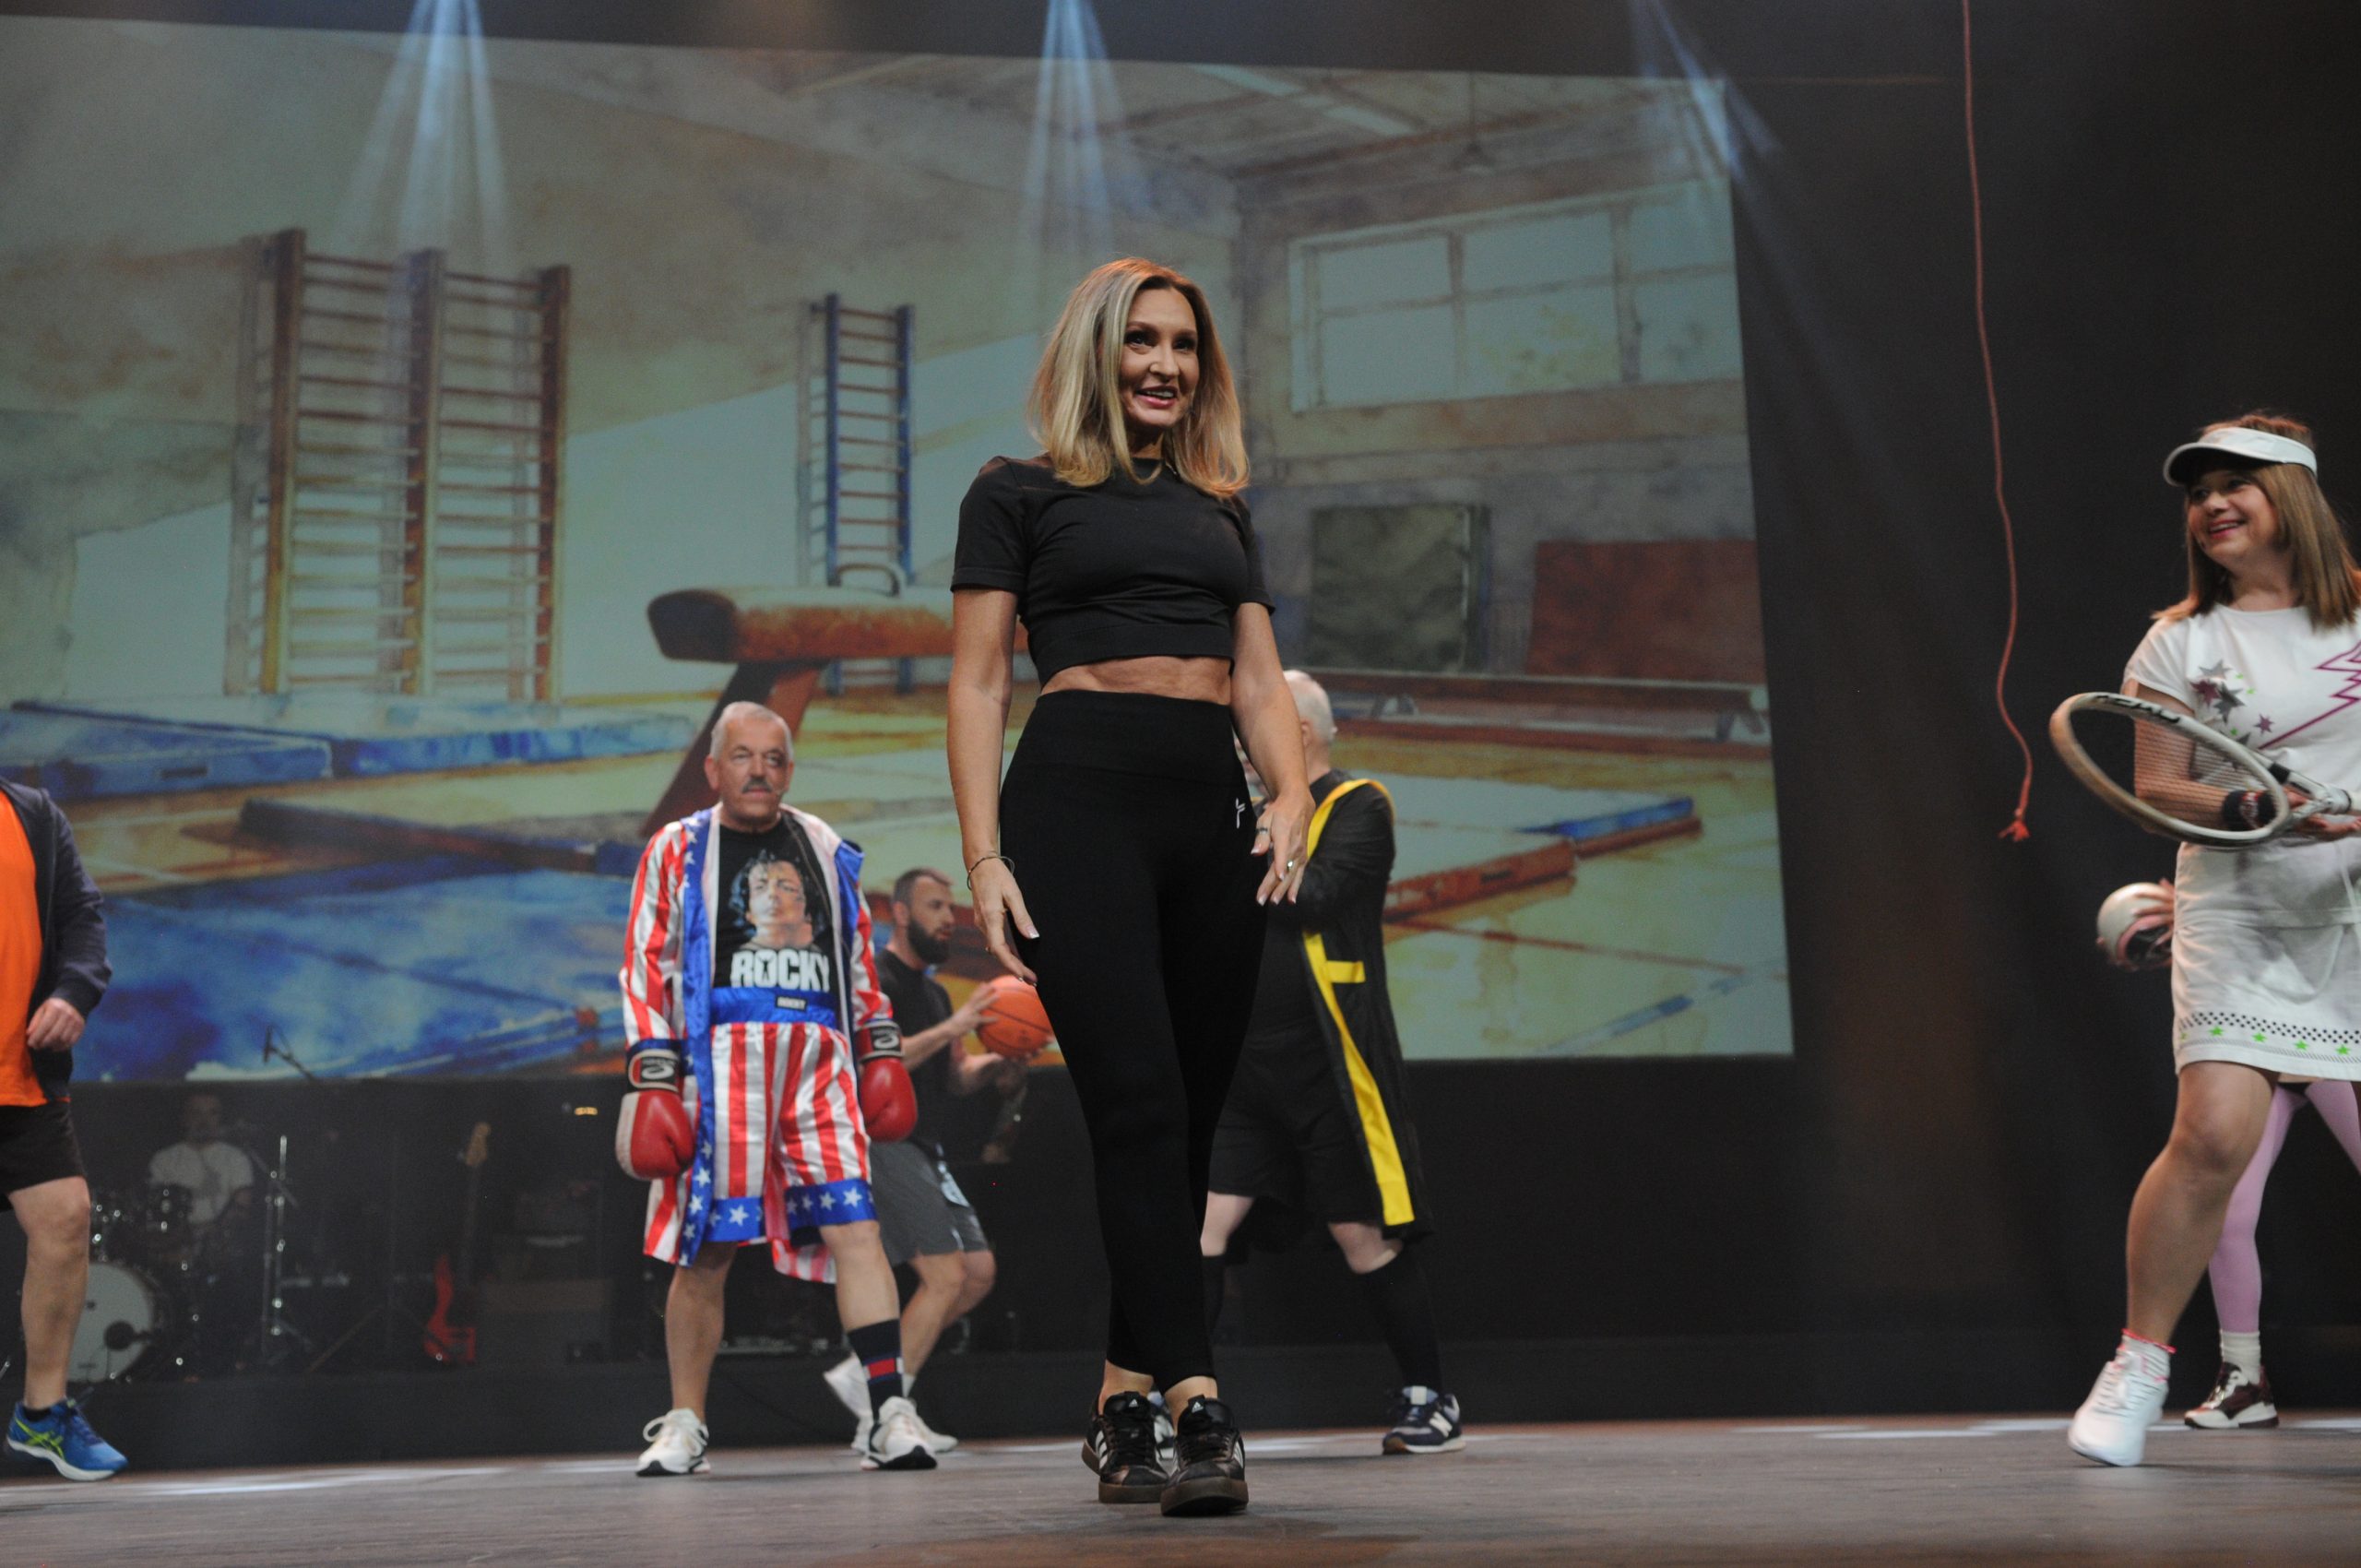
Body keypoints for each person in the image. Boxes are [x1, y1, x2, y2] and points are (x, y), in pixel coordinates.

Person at [948, 256, 1311, 1516]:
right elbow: (980, 682)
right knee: (1142, 1102)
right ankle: (1198, 1401)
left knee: (1183, 1120)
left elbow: (1257, 677)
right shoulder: (1017, 491)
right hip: (1078, 799)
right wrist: (985, 855)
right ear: (1097, 353)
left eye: (1184, 345)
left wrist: (1291, 792)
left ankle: (1119, 1398)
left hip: (1206, 809)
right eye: (1142, 340)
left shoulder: (1219, 507)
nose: (1165, 364)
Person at [2069, 413, 2361, 1466]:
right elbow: (2158, 787)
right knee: (2211, 1138)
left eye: (2237, 484)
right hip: (2239, 909)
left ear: (2296, 498)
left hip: (2355, 907)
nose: (2212, 505)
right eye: (2199, 494)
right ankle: (2139, 1364)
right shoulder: (2178, 642)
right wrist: (2252, 809)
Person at [617, 702, 932, 1477]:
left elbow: (856, 956)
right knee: (708, 1247)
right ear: (713, 768)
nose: (758, 771)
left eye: (773, 758)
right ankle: (685, 1422)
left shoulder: (821, 843)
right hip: (719, 1063)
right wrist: (654, 1073)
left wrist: (878, 1048)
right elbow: (647, 959)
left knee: (858, 1230)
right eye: (742, 756)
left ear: (789, 771)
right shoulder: (677, 846)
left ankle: (888, 1412)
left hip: (818, 1061)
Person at [1198, 671, 1459, 1455]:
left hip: (1325, 1066)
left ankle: (1430, 1395)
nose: (1243, 745)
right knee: (1201, 1229)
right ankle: (1187, 1404)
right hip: (1242, 1071)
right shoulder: (1240, 812)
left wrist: (1237, 847)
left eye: (1252, 727)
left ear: (1296, 732)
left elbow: (1311, 892)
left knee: (1361, 1233)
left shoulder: (1358, 806)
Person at [819, 865, 1021, 1455]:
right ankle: (886, 1407)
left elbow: (955, 1076)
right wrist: (955, 1025)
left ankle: (868, 1384)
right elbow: (880, 1062)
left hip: (927, 1146)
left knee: (976, 1272)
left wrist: (1000, 1058)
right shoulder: (875, 982)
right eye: (934, 907)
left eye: (949, 908)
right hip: (884, 1141)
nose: (947, 919)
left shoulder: (933, 992)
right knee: (945, 1274)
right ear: (901, 913)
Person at [0, 779, 127, 1480]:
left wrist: (73, 993)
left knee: (65, 1218)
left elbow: (81, 914)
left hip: (19, 1075)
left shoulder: (31, 813)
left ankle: (43, 1413)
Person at [147, 1091, 257, 1233]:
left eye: (212, 1113)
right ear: (185, 1118)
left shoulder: (236, 1157)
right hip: (172, 1239)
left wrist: (208, 1232)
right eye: (197, 1113)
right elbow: (154, 1207)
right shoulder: (163, 1159)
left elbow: (241, 1207)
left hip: (220, 1239)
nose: (204, 1121)